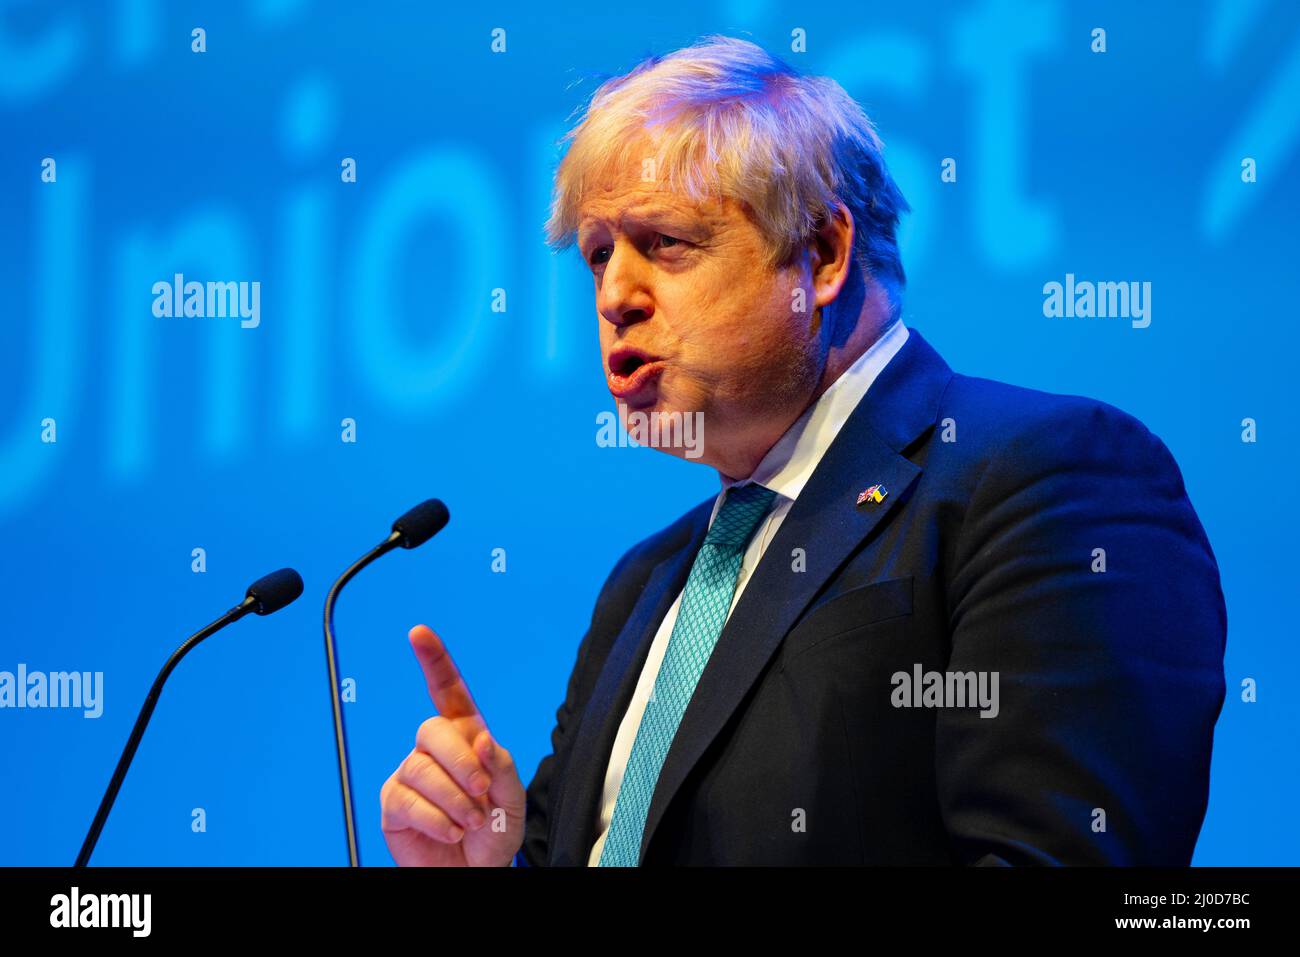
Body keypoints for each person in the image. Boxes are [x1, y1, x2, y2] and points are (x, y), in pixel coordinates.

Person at [379, 35, 1226, 866]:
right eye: (599, 256)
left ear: (820, 255)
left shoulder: (1045, 476)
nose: (615, 296)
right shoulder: (644, 581)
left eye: (665, 243)